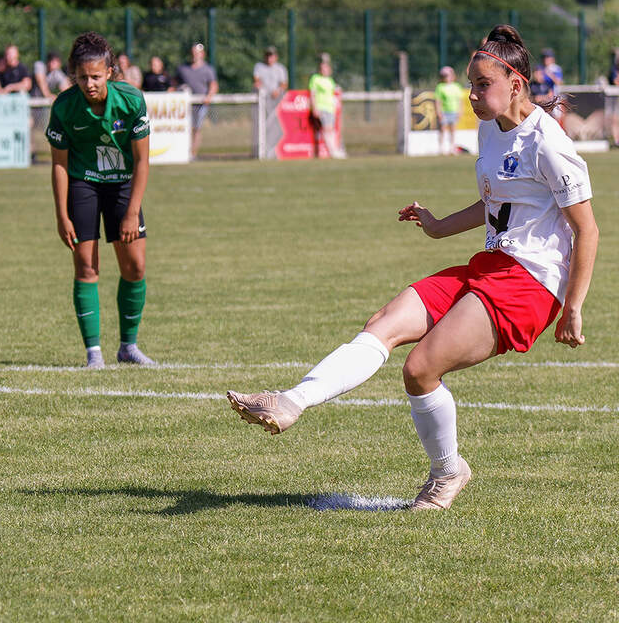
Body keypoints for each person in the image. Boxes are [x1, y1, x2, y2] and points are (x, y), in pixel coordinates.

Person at [226, 25, 598, 511]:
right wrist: (440, 225)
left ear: (516, 84)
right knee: (382, 323)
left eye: (482, 84)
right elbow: (498, 201)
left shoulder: (549, 143)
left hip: (531, 284)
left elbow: (586, 230)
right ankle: (290, 402)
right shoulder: (490, 129)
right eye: (470, 83)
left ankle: (448, 473)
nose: (471, 95)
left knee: (420, 369)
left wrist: (573, 307)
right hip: (490, 264)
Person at [46, 31, 153, 369]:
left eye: (95, 76)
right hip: (84, 185)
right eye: (82, 77)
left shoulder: (131, 101)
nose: (89, 83)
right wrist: (62, 215)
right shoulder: (64, 107)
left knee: (135, 267)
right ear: (73, 76)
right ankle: (94, 353)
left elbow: (142, 162)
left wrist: (132, 211)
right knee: (87, 266)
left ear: (109, 72)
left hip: (122, 186)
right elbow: (60, 165)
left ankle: (128, 346)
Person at [176, 43, 218, 160]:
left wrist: (209, 97)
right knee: (185, 128)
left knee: (196, 128)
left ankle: (192, 154)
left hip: (200, 104)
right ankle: (183, 152)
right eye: (193, 52)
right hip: (184, 105)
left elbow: (213, 85)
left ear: (202, 54)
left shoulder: (208, 69)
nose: (195, 55)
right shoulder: (183, 68)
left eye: (198, 52)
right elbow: (174, 83)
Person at [307, 53, 346, 158]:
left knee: (331, 129)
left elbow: (333, 93)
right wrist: (314, 107)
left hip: (330, 108)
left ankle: (334, 150)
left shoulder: (330, 80)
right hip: (321, 107)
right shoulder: (315, 79)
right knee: (327, 128)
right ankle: (333, 152)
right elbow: (313, 94)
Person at [435, 65, 465, 156]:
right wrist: (438, 112)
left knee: (452, 130)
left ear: (452, 76)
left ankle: (452, 148)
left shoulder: (457, 86)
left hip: (454, 112)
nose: (446, 77)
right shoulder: (440, 87)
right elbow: (438, 101)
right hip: (444, 112)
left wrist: (460, 111)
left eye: (447, 75)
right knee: (442, 129)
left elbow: (460, 100)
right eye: (444, 76)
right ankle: (441, 148)